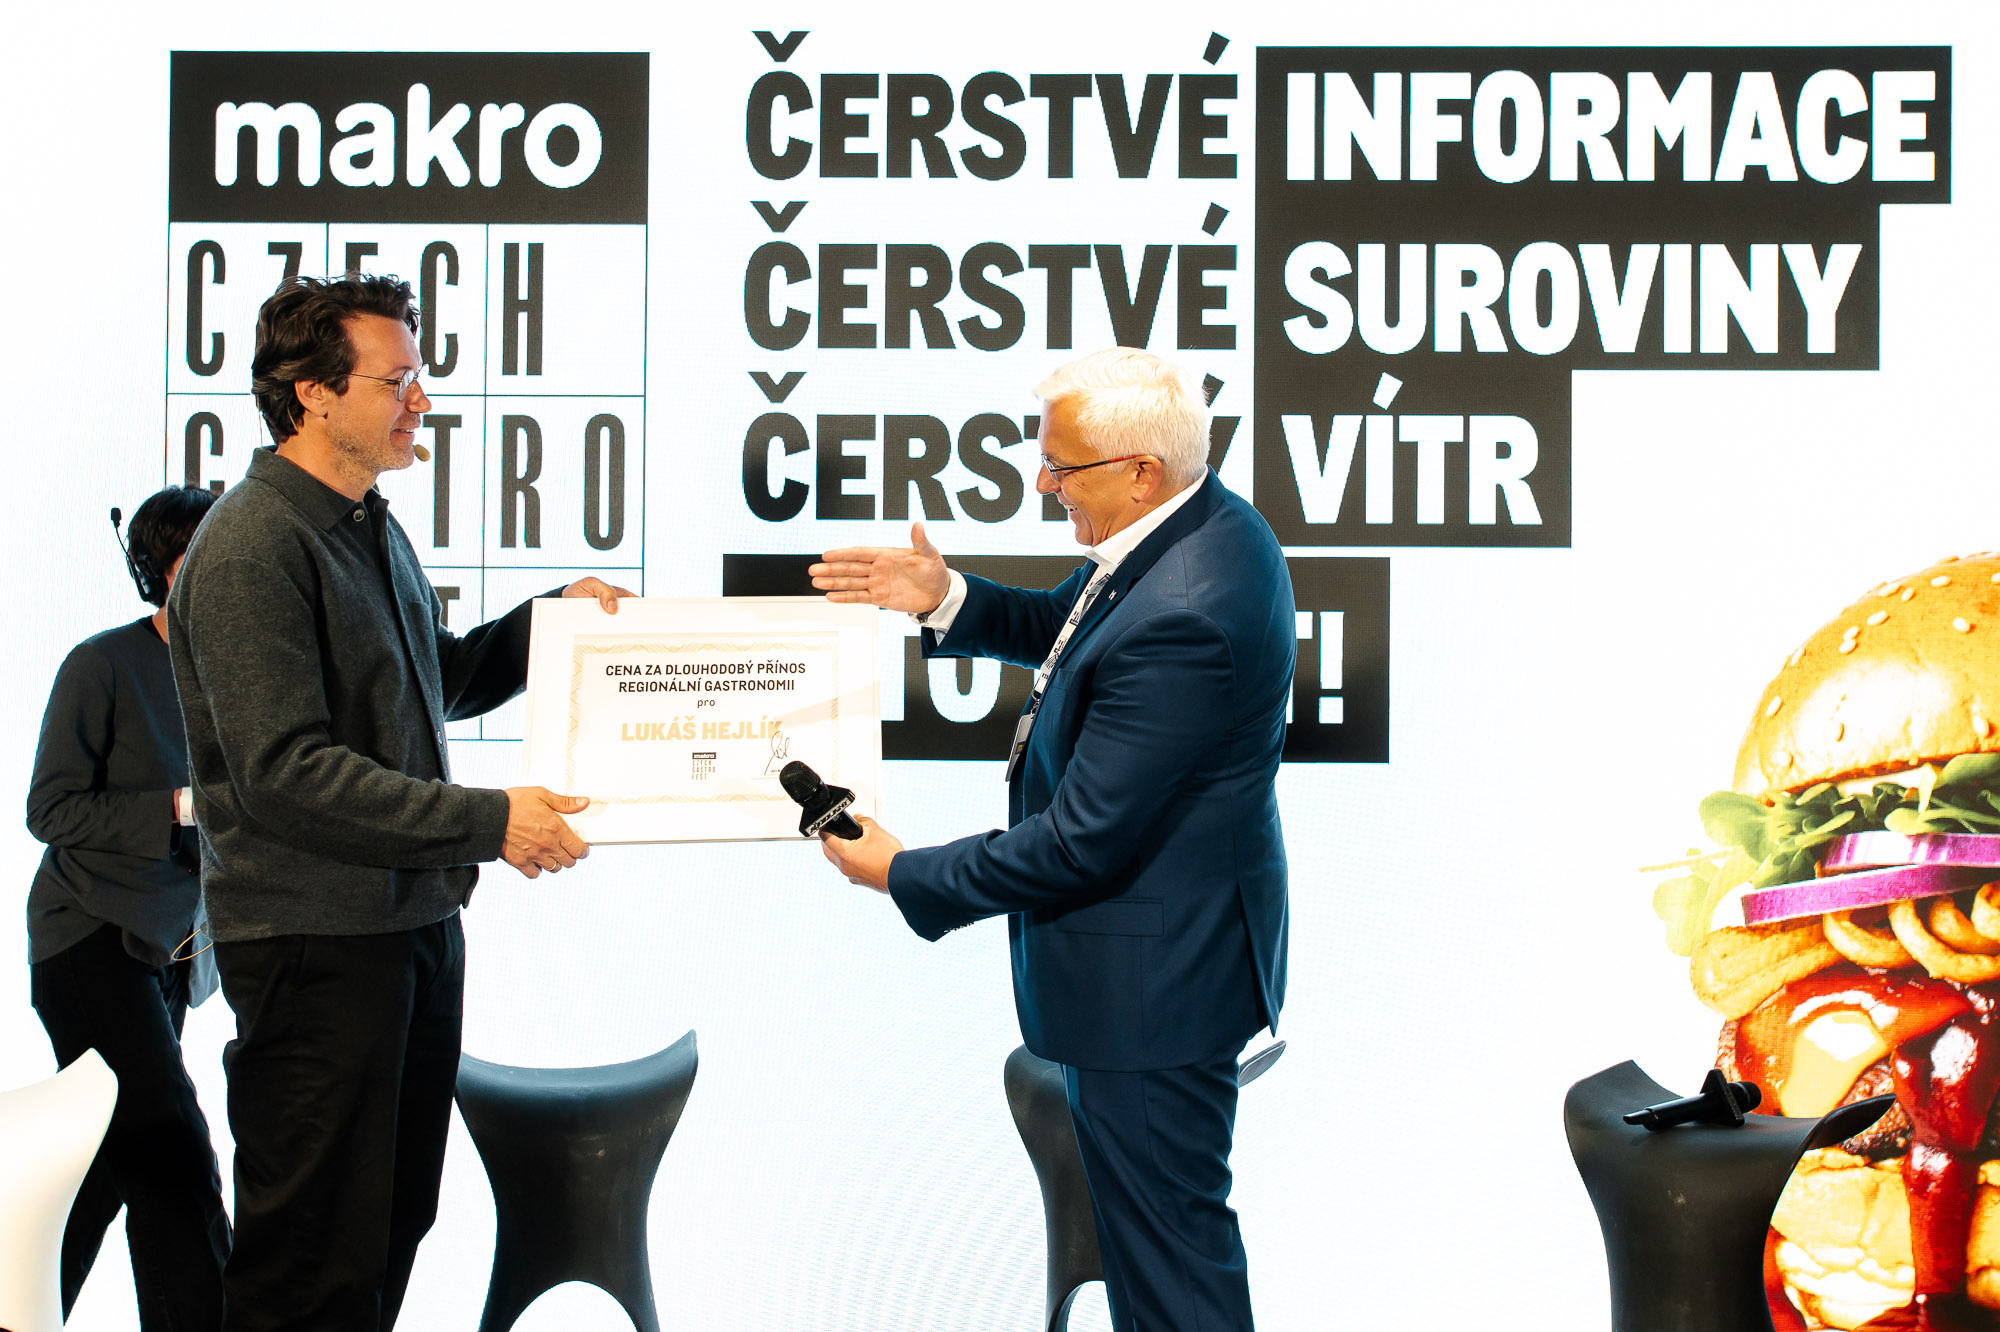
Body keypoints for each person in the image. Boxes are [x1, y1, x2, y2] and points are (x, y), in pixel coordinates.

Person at [167, 273, 629, 1332]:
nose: (421, 401)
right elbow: (287, 773)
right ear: (312, 393)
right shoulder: (251, 545)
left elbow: (435, 678)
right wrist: (490, 820)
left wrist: (550, 622)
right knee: (310, 1265)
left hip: (410, 928)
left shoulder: (365, 525)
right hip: (316, 950)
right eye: (398, 380)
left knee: (385, 1233)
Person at [811, 347, 1293, 1331]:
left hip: (1153, 992)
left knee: (1172, 1274)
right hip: (1166, 966)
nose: (1042, 483)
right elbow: (1076, 635)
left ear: (1139, 471)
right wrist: (945, 597)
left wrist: (902, 872)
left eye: (1061, 468)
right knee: (1161, 1256)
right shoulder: (1194, 527)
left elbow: (1078, 846)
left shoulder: (1187, 611)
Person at [26, 483, 230, 1329]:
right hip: (89, 937)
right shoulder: (101, 664)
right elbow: (50, 809)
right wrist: (179, 807)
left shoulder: (242, 676)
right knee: (170, 1147)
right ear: (166, 570)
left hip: (169, 954)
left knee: (106, 1169)